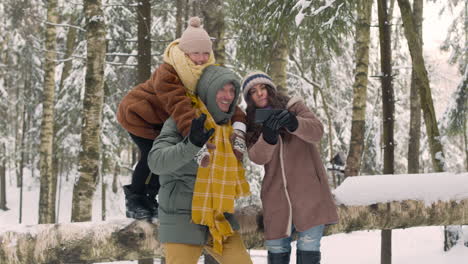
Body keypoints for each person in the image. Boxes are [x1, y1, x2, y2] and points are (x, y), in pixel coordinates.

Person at [117, 17, 247, 220]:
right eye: (196, 53)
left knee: (169, 156)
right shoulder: (168, 72)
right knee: (153, 154)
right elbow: (180, 107)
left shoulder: (206, 71)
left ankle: (150, 199)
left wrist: (239, 126)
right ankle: (136, 199)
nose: (202, 58)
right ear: (185, 52)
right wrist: (196, 140)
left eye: (206, 53)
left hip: (164, 120)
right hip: (140, 116)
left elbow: (223, 96)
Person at [147, 65, 252, 264]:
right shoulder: (182, 121)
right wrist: (192, 144)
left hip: (220, 218)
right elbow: (156, 162)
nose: (227, 96)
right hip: (182, 218)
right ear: (208, 90)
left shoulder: (231, 128)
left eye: (232, 91)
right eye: (221, 89)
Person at [241, 71, 338, 264]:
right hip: (276, 200)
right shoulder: (251, 123)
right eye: (253, 91)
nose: (260, 93)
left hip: (310, 195)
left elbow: (316, 132)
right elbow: (256, 157)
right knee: (277, 249)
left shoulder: (294, 106)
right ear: (249, 99)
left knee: (309, 248)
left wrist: (293, 122)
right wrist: (267, 136)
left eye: (263, 88)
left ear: (270, 89)